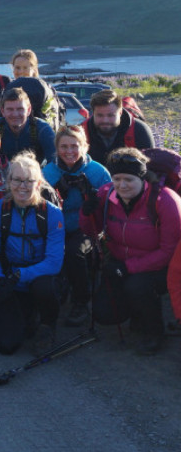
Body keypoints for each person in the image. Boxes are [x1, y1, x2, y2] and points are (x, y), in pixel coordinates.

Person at [81, 148, 181, 354]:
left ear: (142, 179)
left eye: (129, 179)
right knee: (104, 314)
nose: (122, 185)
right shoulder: (106, 194)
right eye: (117, 179)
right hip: (119, 263)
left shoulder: (165, 201)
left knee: (137, 286)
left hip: (160, 268)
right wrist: (86, 212)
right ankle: (138, 314)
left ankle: (154, 332)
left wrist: (127, 268)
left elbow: (169, 252)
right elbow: (92, 230)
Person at [0, 153, 65, 355]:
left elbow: (54, 263)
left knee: (44, 287)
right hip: (11, 280)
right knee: (6, 345)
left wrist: (22, 275)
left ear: (38, 183)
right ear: (8, 181)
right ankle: (27, 315)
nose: (23, 186)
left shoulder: (52, 213)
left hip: (38, 278)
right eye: (17, 180)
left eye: (29, 181)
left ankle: (47, 324)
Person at [42, 125, 111, 327]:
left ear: (85, 147)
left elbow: (110, 206)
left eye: (75, 146)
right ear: (57, 148)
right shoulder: (49, 172)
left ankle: (81, 300)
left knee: (74, 252)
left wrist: (92, 200)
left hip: (87, 227)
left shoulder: (97, 171)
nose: (69, 151)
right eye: (64, 146)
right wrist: (54, 193)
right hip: (56, 226)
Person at [82, 89, 155, 166]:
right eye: (100, 115)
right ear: (93, 113)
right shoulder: (81, 132)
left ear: (120, 113)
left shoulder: (139, 130)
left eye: (110, 115)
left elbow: (151, 167)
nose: (105, 120)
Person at [0, 87, 56, 165]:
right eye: (10, 109)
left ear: (28, 110)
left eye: (20, 109)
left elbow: (54, 162)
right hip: (1, 174)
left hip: (33, 174)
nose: (15, 114)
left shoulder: (42, 129)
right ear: (2, 111)